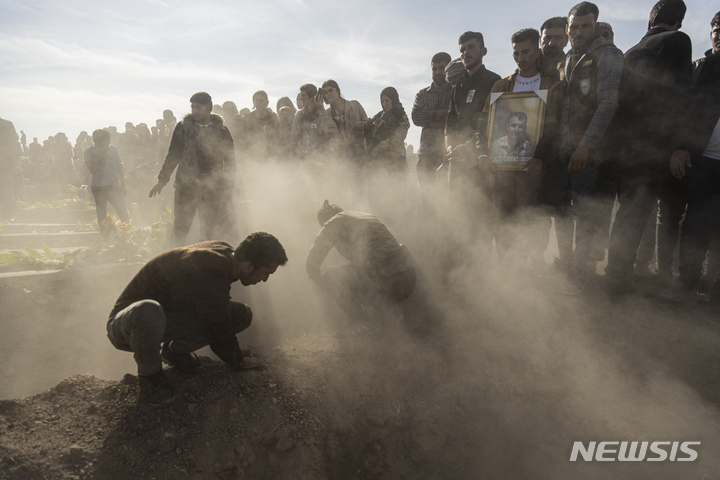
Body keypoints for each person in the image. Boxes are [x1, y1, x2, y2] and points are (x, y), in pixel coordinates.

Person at [107, 232, 288, 406]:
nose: (265, 279)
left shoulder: (226, 255)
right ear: (249, 266)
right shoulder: (211, 266)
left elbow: (216, 314)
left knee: (240, 314)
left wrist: (234, 354)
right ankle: (151, 377)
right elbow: (217, 326)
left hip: (164, 318)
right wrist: (237, 360)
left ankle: (175, 351)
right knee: (148, 310)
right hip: (128, 325)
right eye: (266, 273)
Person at [604, 0, 693, 294]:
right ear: (679, 22)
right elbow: (681, 93)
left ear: (649, 19)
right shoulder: (678, 41)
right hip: (652, 147)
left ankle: (616, 272)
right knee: (638, 213)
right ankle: (618, 280)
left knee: (627, 211)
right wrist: (681, 145)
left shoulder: (630, 52)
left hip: (623, 148)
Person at [476, 28, 561, 272]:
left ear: (537, 51)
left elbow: (553, 127)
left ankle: (532, 269)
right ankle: (506, 271)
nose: (520, 58)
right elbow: (483, 124)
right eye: (515, 53)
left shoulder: (550, 86)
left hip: (532, 170)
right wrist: (483, 154)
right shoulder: (501, 85)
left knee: (533, 217)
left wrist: (540, 157)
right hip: (501, 169)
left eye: (525, 52)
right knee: (502, 217)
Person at [555, 2, 623, 293]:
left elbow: (608, 103)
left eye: (586, 26)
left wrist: (585, 146)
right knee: (563, 210)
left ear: (595, 26)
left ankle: (583, 275)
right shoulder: (568, 59)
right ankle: (568, 267)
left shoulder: (607, 54)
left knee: (586, 214)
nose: (579, 31)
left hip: (590, 152)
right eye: (575, 26)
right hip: (564, 150)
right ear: (567, 29)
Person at [666, 10, 720, 307]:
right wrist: (681, 146)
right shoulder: (701, 67)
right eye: (716, 27)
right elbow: (684, 111)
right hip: (706, 160)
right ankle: (685, 286)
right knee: (697, 224)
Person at [306, 201, 416, 336]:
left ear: (323, 222)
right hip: (408, 282)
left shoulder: (331, 224)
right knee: (358, 270)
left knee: (332, 275)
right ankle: (390, 312)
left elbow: (311, 263)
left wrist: (324, 288)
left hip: (385, 285)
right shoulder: (365, 216)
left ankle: (359, 322)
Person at [149, 92, 236, 247]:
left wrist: (228, 187)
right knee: (181, 226)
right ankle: (175, 259)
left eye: (199, 107)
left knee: (208, 228)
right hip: (186, 184)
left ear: (209, 108)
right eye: (193, 107)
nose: (195, 110)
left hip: (211, 187)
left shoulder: (222, 131)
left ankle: (206, 260)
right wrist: (162, 180)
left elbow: (229, 162)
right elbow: (173, 155)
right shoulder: (183, 128)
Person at [444, 31, 502, 253]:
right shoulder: (457, 86)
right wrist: (449, 146)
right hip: (456, 160)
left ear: (483, 51)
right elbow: (450, 120)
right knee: (458, 213)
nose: (465, 53)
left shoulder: (494, 82)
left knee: (481, 213)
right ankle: (460, 264)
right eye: (462, 50)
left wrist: (468, 147)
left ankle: (483, 265)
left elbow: (490, 122)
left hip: (480, 159)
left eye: (470, 47)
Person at [364, 87, 410, 224]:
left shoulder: (402, 116)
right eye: (382, 101)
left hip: (395, 165)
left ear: (394, 100)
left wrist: (379, 148)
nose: (384, 104)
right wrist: (367, 128)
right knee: (378, 201)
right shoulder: (379, 117)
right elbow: (371, 137)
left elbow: (397, 139)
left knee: (393, 202)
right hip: (379, 166)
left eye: (387, 100)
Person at [321, 79, 369, 206]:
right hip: (340, 155)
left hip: (359, 153)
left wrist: (356, 125)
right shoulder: (327, 113)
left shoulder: (355, 105)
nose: (329, 94)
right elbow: (328, 132)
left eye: (331, 90)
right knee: (343, 189)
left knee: (360, 188)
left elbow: (368, 124)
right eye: (325, 92)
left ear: (338, 90)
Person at [411, 52, 453, 195]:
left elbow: (455, 120)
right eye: (434, 69)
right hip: (426, 155)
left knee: (447, 200)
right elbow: (416, 117)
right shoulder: (422, 94)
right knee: (427, 200)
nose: (438, 72)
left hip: (447, 154)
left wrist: (429, 120)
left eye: (442, 68)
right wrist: (440, 113)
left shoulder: (455, 92)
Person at [84, 129, 130, 240]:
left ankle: (126, 234)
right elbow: (92, 170)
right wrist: (99, 155)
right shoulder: (89, 151)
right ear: (95, 141)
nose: (104, 143)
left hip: (113, 185)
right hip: (98, 186)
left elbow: (120, 167)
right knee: (101, 213)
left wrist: (123, 185)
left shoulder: (113, 149)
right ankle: (106, 238)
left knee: (122, 209)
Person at [244, 90, 280, 161]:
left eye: (261, 101)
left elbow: (277, 136)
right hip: (253, 155)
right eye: (257, 101)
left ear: (267, 102)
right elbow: (245, 137)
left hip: (270, 155)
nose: (259, 103)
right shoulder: (249, 118)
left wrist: (266, 146)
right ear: (253, 102)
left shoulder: (273, 117)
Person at [0, 117, 21, 220]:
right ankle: (8, 215)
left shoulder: (7, 125)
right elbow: (15, 139)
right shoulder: (8, 124)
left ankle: (8, 215)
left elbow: (14, 140)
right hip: (7, 163)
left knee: (7, 189)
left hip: (6, 163)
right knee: (7, 189)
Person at [538, 17, 569, 81]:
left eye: (558, 38)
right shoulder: (527, 67)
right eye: (547, 38)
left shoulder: (570, 68)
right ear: (540, 40)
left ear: (566, 41)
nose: (551, 43)